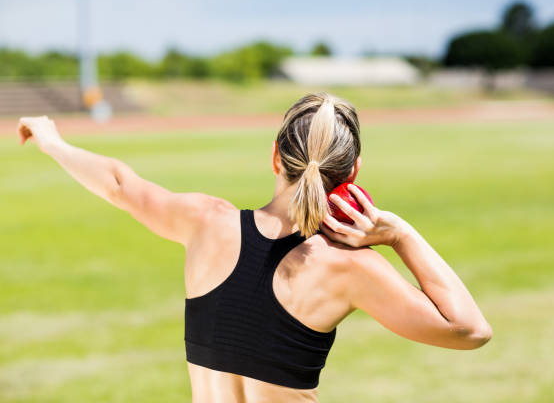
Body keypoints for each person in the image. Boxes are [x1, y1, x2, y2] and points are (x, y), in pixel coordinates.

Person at [16, 92, 492, 403]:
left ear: (274, 155)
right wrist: (400, 235)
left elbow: (120, 184)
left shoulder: (206, 222)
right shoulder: (348, 267)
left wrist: (52, 140)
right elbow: (469, 330)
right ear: (353, 174)